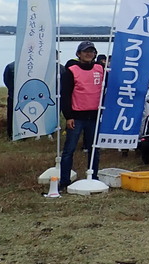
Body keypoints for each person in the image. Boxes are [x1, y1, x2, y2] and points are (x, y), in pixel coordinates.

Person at [59, 41, 105, 191]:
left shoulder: (100, 69)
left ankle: (94, 177)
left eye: (91, 51)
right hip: (77, 117)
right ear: (78, 54)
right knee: (69, 150)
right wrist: (68, 116)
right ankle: (64, 181)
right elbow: (65, 95)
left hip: (94, 116)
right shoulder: (71, 71)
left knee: (94, 149)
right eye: (85, 51)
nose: (89, 54)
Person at [3, 60, 16, 138]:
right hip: (15, 95)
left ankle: (11, 134)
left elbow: (6, 80)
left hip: (12, 95)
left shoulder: (10, 66)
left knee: (11, 116)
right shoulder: (10, 67)